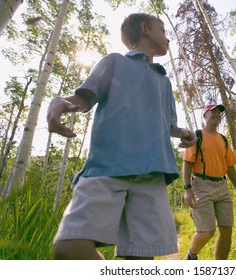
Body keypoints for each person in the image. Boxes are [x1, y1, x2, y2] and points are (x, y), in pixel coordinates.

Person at [47, 13, 197, 260]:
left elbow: (169, 125)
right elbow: (84, 98)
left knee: (140, 259)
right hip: (106, 167)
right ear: (145, 29)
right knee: (70, 248)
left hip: (152, 173)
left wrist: (183, 133)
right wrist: (60, 101)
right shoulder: (114, 61)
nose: (168, 37)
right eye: (162, 29)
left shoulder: (163, 81)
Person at [182, 104, 236, 260]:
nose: (217, 114)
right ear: (205, 115)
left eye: (219, 113)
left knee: (226, 230)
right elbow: (187, 162)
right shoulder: (196, 135)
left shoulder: (223, 139)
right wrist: (187, 188)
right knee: (207, 231)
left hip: (222, 186)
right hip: (201, 186)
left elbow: (230, 166)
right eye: (213, 112)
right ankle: (191, 256)